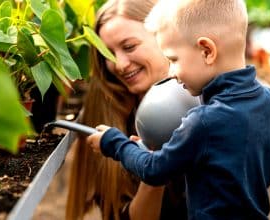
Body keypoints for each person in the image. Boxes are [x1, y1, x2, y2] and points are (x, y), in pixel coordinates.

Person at [87, 0, 270, 219]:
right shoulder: (269, 101)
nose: (172, 72)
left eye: (173, 59)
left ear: (206, 51)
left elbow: (154, 170)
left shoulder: (202, 121)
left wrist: (113, 142)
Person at [65, 0, 188, 219]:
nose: (119, 65)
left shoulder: (208, 101)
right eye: (108, 54)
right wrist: (153, 170)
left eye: (129, 46)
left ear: (165, 36)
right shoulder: (109, 118)